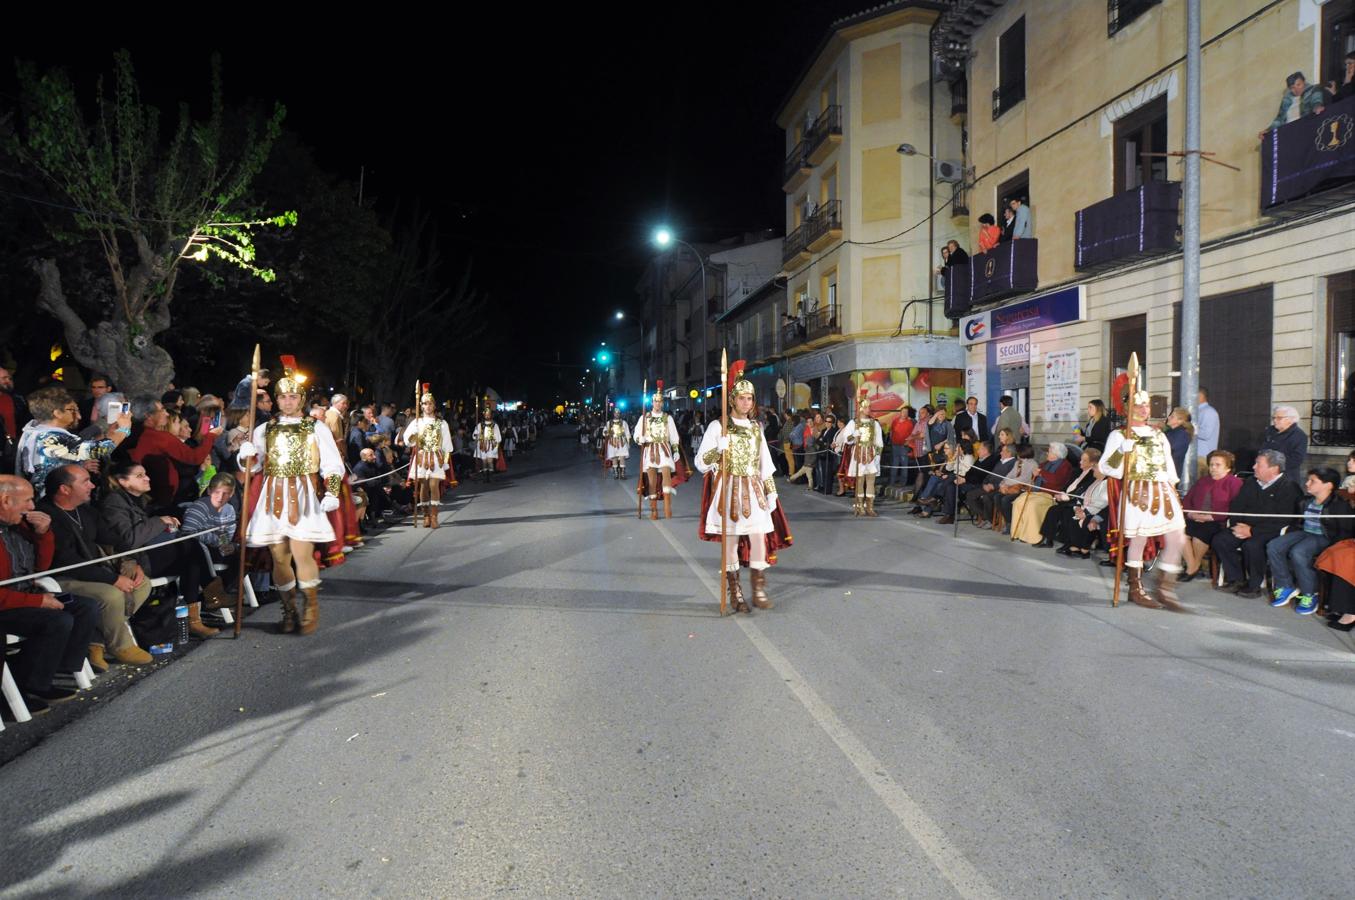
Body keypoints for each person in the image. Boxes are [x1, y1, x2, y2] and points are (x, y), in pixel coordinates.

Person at [237, 362, 345, 636]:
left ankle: (311, 604)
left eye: (293, 396)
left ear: (301, 399)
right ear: (276, 399)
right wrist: (245, 454)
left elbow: (332, 463)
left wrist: (331, 491)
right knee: (279, 558)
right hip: (273, 496)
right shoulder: (265, 429)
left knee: (301, 552)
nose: (287, 401)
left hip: (304, 495)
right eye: (283, 397)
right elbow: (255, 467)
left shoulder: (315, 428)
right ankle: (289, 609)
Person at [695, 362, 791, 614]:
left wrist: (771, 493)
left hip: (754, 490)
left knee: (759, 537)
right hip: (728, 490)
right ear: (733, 400)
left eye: (750, 398)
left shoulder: (756, 429)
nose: (747, 402)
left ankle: (758, 590)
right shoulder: (719, 427)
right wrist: (719, 449)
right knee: (732, 540)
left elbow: (765, 464)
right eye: (742, 398)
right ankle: (735, 592)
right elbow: (700, 463)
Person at [0, 475, 99, 715]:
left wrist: (43, 533)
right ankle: (25, 686)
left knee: (84, 607)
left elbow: (41, 569)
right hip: (8, 603)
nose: (33, 507)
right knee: (57, 620)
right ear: (5, 500)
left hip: (27, 593)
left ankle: (54, 671)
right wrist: (39, 600)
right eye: (28, 500)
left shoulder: (20, 527)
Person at [40, 464, 154, 669]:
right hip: (61, 579)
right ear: (65, 489)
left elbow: (113, 539)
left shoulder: (85, 511)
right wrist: (114, 579)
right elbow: (68, 563)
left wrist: (130, 562)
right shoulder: (48, 516)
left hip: (93, 572)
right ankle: (120, 645)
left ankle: (96, 640)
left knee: (142, 584)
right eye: (85, 481)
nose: (92, 485)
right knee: (111, 595)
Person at [99, 460, 227, 639]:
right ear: (123, 481)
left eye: (145, 474)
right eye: (139, 476)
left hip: (145, 554)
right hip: (131, 561)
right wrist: (159, 522)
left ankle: (202, 608)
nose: (147, 478)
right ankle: (210, 598)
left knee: (189, 549)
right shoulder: (114, 502)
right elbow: (128, 540)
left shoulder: (137, 500)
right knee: (189, 550)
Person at [1100, 388, 1188, 611]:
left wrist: (1172, 487)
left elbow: (1168, 464)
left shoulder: (1159, 434)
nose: (1143, 409)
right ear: (1128, 407)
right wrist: (1121, 451)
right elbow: (1107, 468)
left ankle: (1164, 588)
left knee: (1177, 537)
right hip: (1137, 490)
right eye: (1138, 404)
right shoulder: (1119, 435)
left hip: (1163, 491)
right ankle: (1135, 589)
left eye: (1146, 405)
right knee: (1138, 540)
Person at [1209, 449, 1303, 600]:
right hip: (1243, 526)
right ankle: (1236, 579)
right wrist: (1237, 526)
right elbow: (1236, 507)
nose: (1253, 467)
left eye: (1258, 464)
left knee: (1252, 545)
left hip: (1270, 530)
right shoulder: (1251, 483)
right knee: (1221, 540)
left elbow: (1284, 519)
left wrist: (1253, 531)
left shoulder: (1289, 488)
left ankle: (1254, 585)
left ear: (1273, 468)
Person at [16, 386, 131, 499]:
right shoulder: (49, 438)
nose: (79, 416)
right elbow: (98, 450)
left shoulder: (35, 432)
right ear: (57, 413)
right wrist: (124, 429)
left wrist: (80, 465)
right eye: (73, 410)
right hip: (52, 504)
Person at [1265, 468, 1351, 615]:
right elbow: (1297, 523)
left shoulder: (1339, 506)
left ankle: (1310, 594)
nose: (1307, 483)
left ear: (1328, 485)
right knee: (1274, 546)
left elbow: (1344, 531)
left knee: (1299, 552)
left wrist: (1333, 547)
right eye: (1308, 480)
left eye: (1313, 481)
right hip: (1304, 533)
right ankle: (1285, 585)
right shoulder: (1305, 501)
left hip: (1325, 537)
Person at [126, 396, 221, 513]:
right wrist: (211, 436)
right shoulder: (157, 437)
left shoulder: (129, 432)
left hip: (141, 493)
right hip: (159, 500)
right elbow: (194, 457)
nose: (166, 413)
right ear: (148, 416)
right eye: (162, 410)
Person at [1179, 450, 1243, 582]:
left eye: (1217, 465)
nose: (1213, 467)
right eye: (1211, 464)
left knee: (1198, 537)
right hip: (1195, 518)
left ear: (1228, 467)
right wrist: (1191, 514)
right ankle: (1193, 565)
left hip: (1218, 522)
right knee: (1177, 533)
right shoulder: (1203, 481)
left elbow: (1234, 506)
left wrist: (1210, 517)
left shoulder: (1234, 483)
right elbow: (1187, 500)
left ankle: (1191, 568)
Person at [402, 385, 456, 528]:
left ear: (434, 405)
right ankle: (425, 515)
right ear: (421, 405)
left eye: (430, 403)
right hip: (421, 457)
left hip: (436, 458)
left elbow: (447, 444)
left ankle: (434, 516)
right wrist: (414, 436)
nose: (428, 406)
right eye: (425, 403)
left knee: (433, 485)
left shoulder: (442, 423)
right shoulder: (417, 422)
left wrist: (444, 462)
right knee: (423, 487)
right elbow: (407, 440)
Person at [1009, 443, 1076, 544]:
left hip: (1050, 495)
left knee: (1031, 505)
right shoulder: (1045, 463)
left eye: (1049, 451)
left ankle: (1033, 536)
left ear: (1056, 454)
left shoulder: (1065, 465)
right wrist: (1035, 473)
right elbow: (1037, 474)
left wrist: (1041, 473)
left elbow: (1057, 480)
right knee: (1018, 502)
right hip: (1037, 492)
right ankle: (1019, 532)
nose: (1047, 453)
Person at [634, 383, 682, 519]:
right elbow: (636, 434)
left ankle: (667, 507)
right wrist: (640, 439)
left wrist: (676, 449)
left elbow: (673, 435)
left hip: (664, 450)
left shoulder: (668, 418)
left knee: (666, 475)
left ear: (663, 403)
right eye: (656, 401)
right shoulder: (644, 417)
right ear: (652, 402)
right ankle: (653, 510)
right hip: (650, 450)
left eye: (660, 401)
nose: (658, 403)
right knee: (652, 481)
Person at [1038, 449, 1103, 550]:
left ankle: (1069, 543)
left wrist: (1067, 497)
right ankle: (1047, 538)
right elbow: (1067, 485)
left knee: (1066, 513)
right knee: (1053, 510)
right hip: (1067, 499)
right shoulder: (1077, 471)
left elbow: (1083, 491)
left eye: (1084, 461)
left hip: (1076, 502)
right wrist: (1061, 493)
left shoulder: (1093, 475)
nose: (1080, 462)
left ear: (1092, 463)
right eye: (1081, 459)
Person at [835, 392, 883, 517]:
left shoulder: (875, 423)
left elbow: (879, 442)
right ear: (861, 408)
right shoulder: (853, 423)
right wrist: (854, 436)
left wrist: (877, 456)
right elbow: (847, 439)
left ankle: (870, 507)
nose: (869, 409)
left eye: (869, 407)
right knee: (860, 481)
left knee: (871, 481)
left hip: (871, 455)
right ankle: (860, 506)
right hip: (858, 455)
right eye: (866, 407)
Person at [1259, 71, 1326, 139]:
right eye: (1292, 87)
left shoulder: (1313, 90)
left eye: (1298, 85)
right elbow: (1280, 118)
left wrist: (1317, 106)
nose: (1296, 89)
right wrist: (1268, 130)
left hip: (1305, 132)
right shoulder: (1287, 99)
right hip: (1288, 134)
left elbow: (1316, 100)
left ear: (1304, 82)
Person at [965, 442, 1017, 528]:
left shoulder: (1013, 463)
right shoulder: (1000, 462)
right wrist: (985, 483)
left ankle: (990, 520)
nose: (1000, 453)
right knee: (970, 495)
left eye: (1003, 451)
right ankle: (986, 517)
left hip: (999, 487)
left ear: (1009, 453)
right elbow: (989, 474)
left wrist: (994, 486)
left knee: (986, 497)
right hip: (989, 485)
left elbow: (1006, 479)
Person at [1259, 406, 1308, 484]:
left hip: (1286, 478)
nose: (1275, 420)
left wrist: (1274, 467)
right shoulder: (1269, 431)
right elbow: (1261, 450)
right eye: (1273, 418)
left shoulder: (1299, 435)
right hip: (1266, 475)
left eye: (1279, 418)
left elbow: (1296, 459)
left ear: (1290, 420)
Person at [473, 400, 505, 482]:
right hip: (482, 445)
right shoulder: (480, 425)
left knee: (490, 461)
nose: (487, 416)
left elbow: (498, 437)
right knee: (484, 462)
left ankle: (491, 477)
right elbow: (475, 434)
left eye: (488, 414)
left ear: (490, 415)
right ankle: (485, 477)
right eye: (486, 414)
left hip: (491, 445)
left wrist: (496, 444)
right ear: (484, 415)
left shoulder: (495, 425)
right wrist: (476, 436)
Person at [1163, 407, 1194, 482]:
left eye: (1172, 416)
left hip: (1170, 473)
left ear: (1180, 421)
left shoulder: (1181, 434)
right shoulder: (1173, 432)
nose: (1169, 417)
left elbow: (1170, 450)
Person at [1194, 389, 1219, 478]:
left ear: (1201, 396)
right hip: (1196, 455)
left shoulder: (1209, 412)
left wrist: (1190, 429)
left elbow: (1206, 434)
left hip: (1202, 456)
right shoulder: (1199, 411)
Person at [604, 406, 632, 480]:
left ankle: (622, 473)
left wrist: (628, 443)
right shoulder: (609, 423)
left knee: (622, 456)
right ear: (613, 414)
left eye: (618, 413)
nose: (617, 414)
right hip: (612, 442)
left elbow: (627, 433)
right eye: (615, 413)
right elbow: (605, 432)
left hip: (621, 442)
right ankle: (616, 473)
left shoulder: (624, 422)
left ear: (620, 414)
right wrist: (606, 432)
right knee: (614, 457)